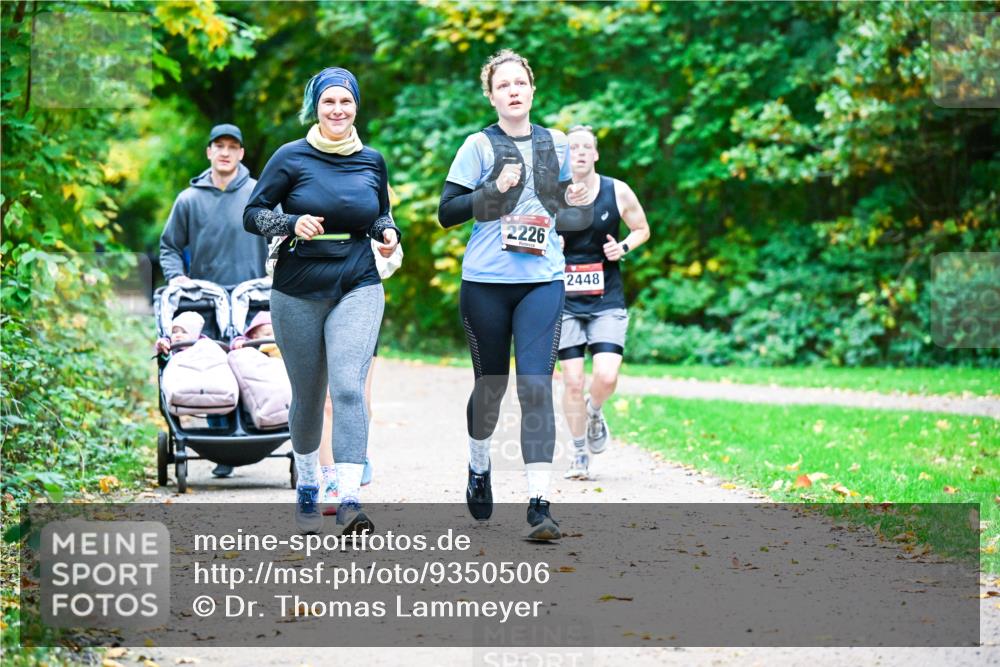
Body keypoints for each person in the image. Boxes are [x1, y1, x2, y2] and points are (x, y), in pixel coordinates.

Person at [438, 49, 592, 541]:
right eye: (503, 85)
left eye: (520, 83)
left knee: (534, 387)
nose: (513, 91)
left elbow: (572, 216)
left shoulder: (558, 143)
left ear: (532, 89)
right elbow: (447, 212)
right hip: (485, 282)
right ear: (491, 95)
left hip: (542, 280)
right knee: (490, 388)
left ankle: (539, 504)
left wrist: (576, 207)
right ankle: (479, 465)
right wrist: (491, 190)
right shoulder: (477, 145)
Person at [243, 66, 399, 535]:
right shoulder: (290, 157)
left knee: (349, 387)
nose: (338, 110)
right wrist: (290, 224)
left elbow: (378, 214)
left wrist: (388, 233)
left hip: (358, 280)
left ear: (356, 106)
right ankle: (308, 485)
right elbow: (254, 214)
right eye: (329, 102)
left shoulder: (372, 160)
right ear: (316, 107)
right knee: (308, 397)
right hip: (298, 286)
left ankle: (349, 499)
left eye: (346, 102)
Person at [159, 123, 268, 478]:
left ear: (241, 153)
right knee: (213, 369)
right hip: (205, 301)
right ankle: (223, 447)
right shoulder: (189, 199)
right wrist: (177, 277)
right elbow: (170, 246)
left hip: (252, 299)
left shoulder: (258, 194)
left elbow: (281, 241)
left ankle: (254, 434)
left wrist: (274, 274)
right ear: (209, 152)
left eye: (232, 146)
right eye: (218, 146)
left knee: (251, 367)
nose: (225, 152)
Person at [558, 125, 651, 480]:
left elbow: (642, 228)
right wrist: (553, 245)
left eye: (586, 147)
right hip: (564, 301)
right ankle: (579, 452)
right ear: (566, 156)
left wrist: (623, 247)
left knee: (607, 375)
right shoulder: (553, 194)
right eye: (573, 147)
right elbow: (532, 235)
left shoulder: (617, 190)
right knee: (572, 381)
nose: (580, 152)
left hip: (606, 297)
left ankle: (594, 411)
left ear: (595, 154)